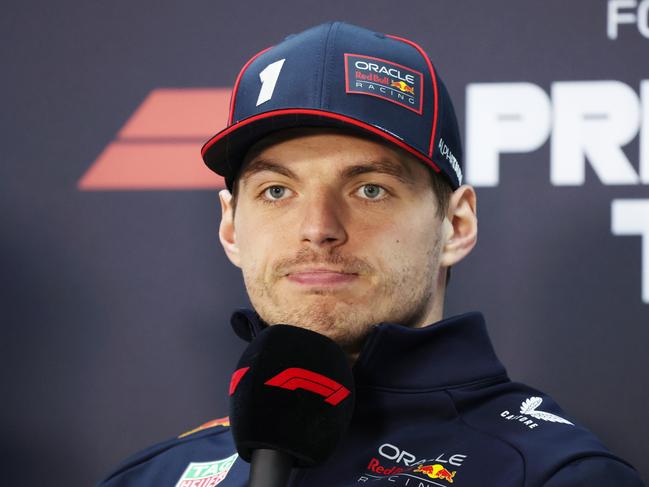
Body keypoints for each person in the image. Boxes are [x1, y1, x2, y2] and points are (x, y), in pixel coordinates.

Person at [98, 22, 644, 486]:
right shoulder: (154, 474)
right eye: (277, 191)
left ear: (456, 224)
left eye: (370, 189)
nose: (318, 229)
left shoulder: (552, 473)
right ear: (231, 228)